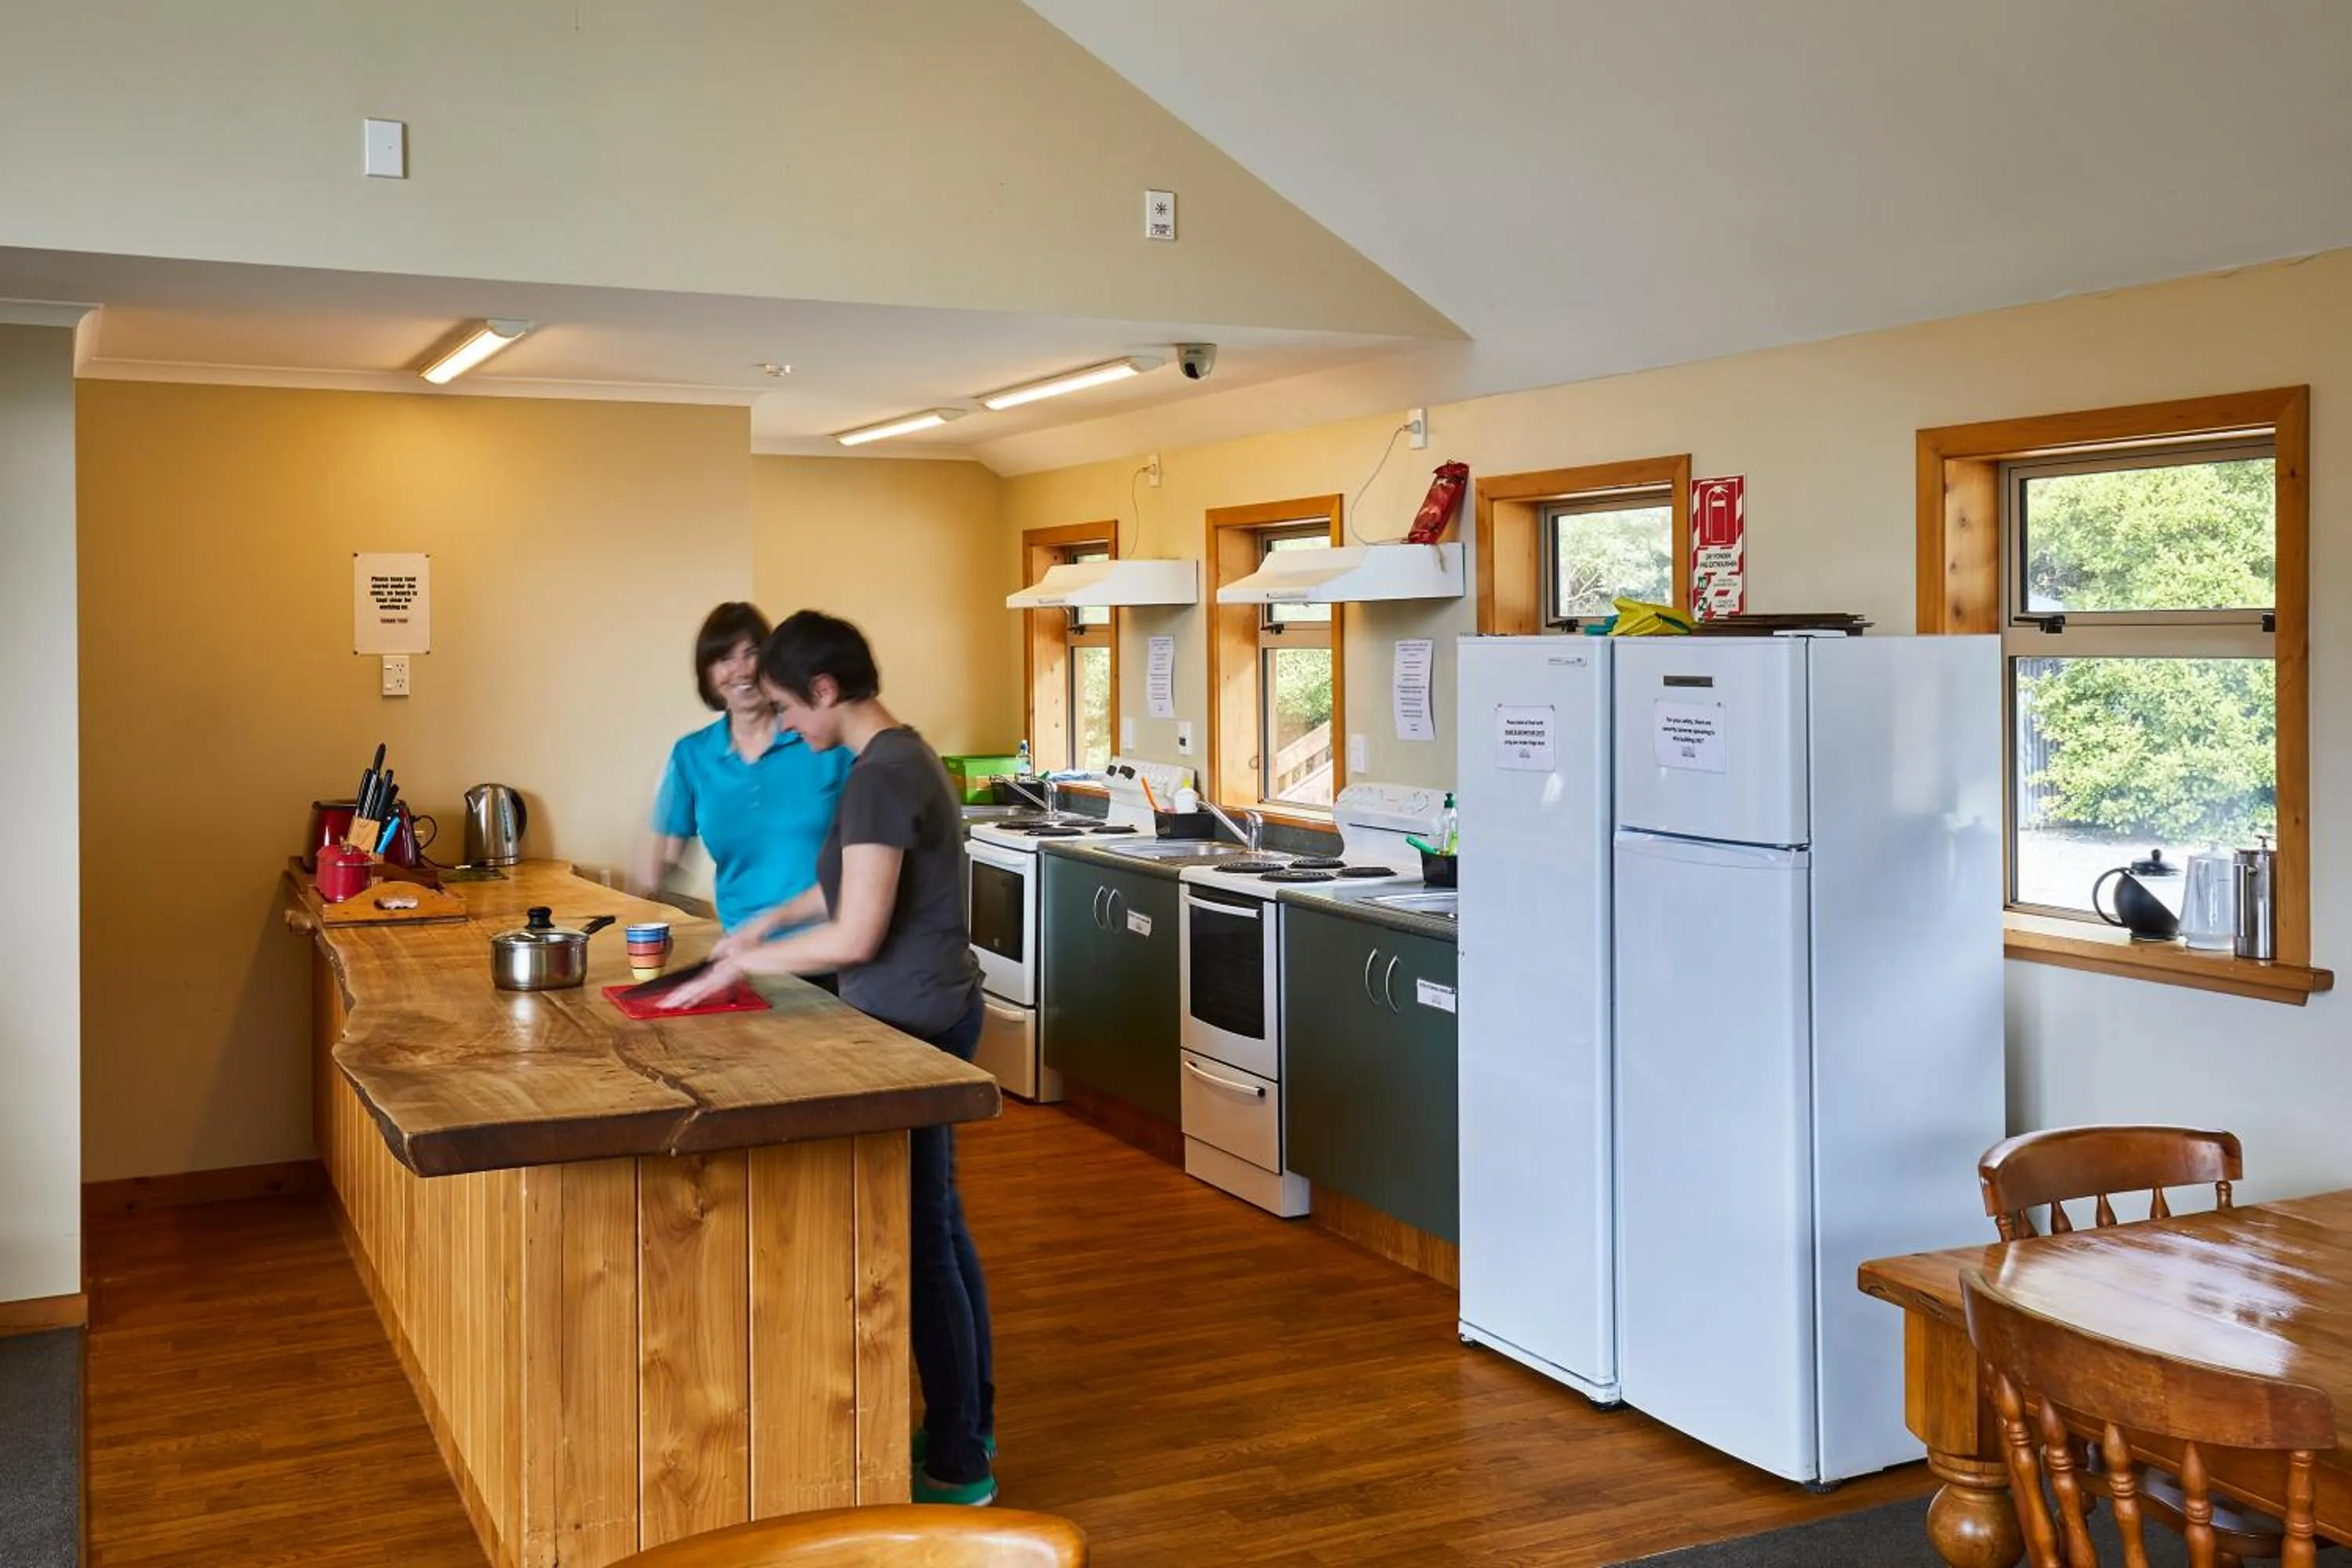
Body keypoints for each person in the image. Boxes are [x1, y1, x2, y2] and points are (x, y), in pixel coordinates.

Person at [659, 610, 996, 1505]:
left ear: (823, 690)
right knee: (941, 1227)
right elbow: (849, 874)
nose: (793, 734)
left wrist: (737, 958)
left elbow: (855, 931)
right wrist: (773, 917)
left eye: (788, 709)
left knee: (923, 1241)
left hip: (914, 1030)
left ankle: (961, 1459)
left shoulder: (881, 775)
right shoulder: (899, 755)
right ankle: (971, 1421)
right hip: (925, 1015)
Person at [630, 603, 851, 955]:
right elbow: (659, 869)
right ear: (707, 673)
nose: (742, 670)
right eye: (724, 659)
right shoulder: (692, 755)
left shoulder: (822, 738)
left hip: (832, 953)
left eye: (752, 653)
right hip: (746, 955)